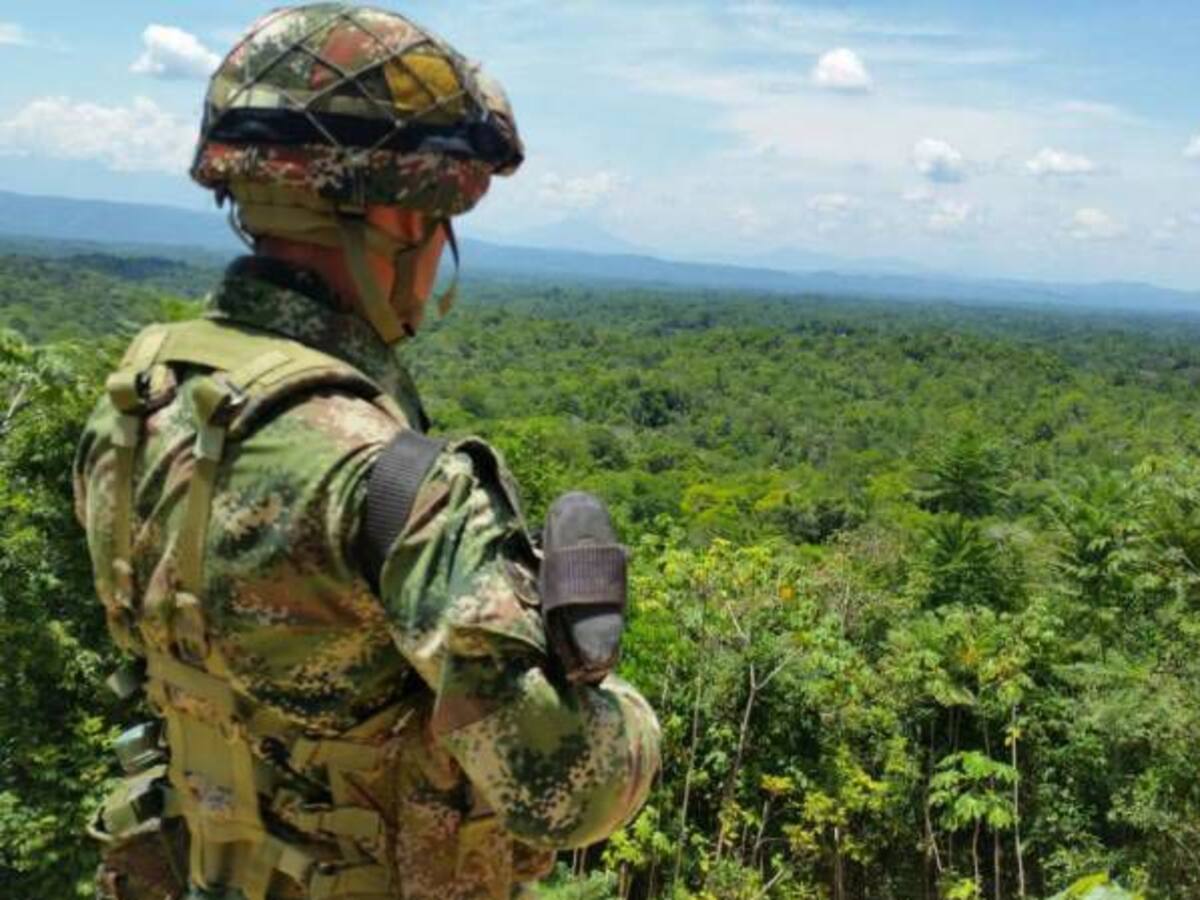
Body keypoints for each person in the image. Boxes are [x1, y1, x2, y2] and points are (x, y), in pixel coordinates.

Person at [73, 5, 660, 899]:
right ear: (394, 215)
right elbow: (558, 795)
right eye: (441, 223)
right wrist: (622, 714)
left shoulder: (139, 401)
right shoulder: (394, 483)